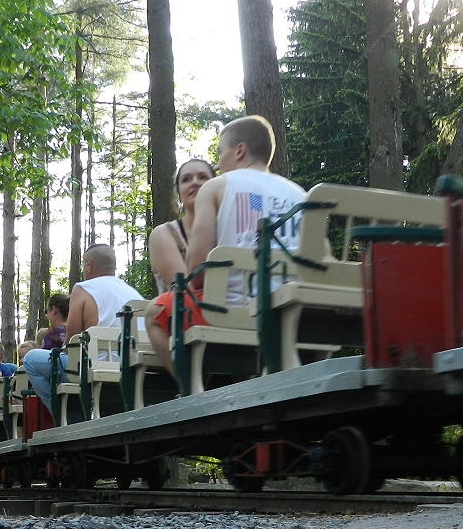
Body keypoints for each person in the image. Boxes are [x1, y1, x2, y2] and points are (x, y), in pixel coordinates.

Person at [145, 116, 307, 376]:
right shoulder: (300, 194)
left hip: (233, 312)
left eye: (220, 154)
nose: (219, 165)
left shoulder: (217, 187)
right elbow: (320, 259)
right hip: (295, 312)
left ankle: (191, 391)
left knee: (154, 313)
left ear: (239, 151)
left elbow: (196, 273)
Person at [23, 244, 142, 412]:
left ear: (89, 266)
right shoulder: (132, 292)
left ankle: (64, 415)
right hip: (133, 366)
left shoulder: (83, 289)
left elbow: (71, 343)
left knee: (31, 359)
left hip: (94, 367)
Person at [149, 158, 214, 293]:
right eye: (186, 180)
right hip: (184, 311)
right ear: (178, 195)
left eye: (202, 177)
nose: (195, 182)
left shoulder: (227, 228)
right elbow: (186, 291)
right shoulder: (165, 234)